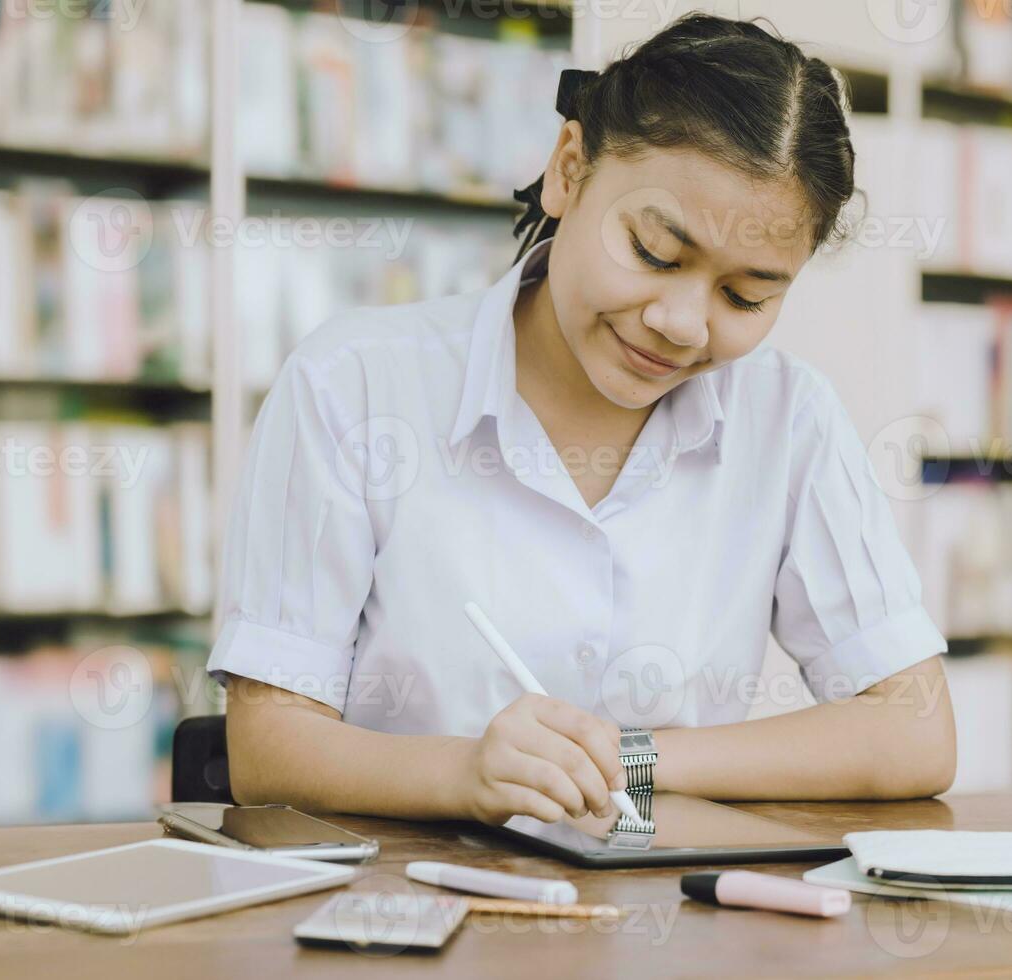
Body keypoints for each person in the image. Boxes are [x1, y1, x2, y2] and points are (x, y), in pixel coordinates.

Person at [211, 13, 954, 826]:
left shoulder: (788, 417)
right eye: (655, 253)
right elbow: (267, 746)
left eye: (746, 296)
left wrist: (630, 758)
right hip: (409, 912)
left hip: (676, 920)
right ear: (570, 169)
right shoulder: (350, 385)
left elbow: (915, 728)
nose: (682, 322)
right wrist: (465, 775)